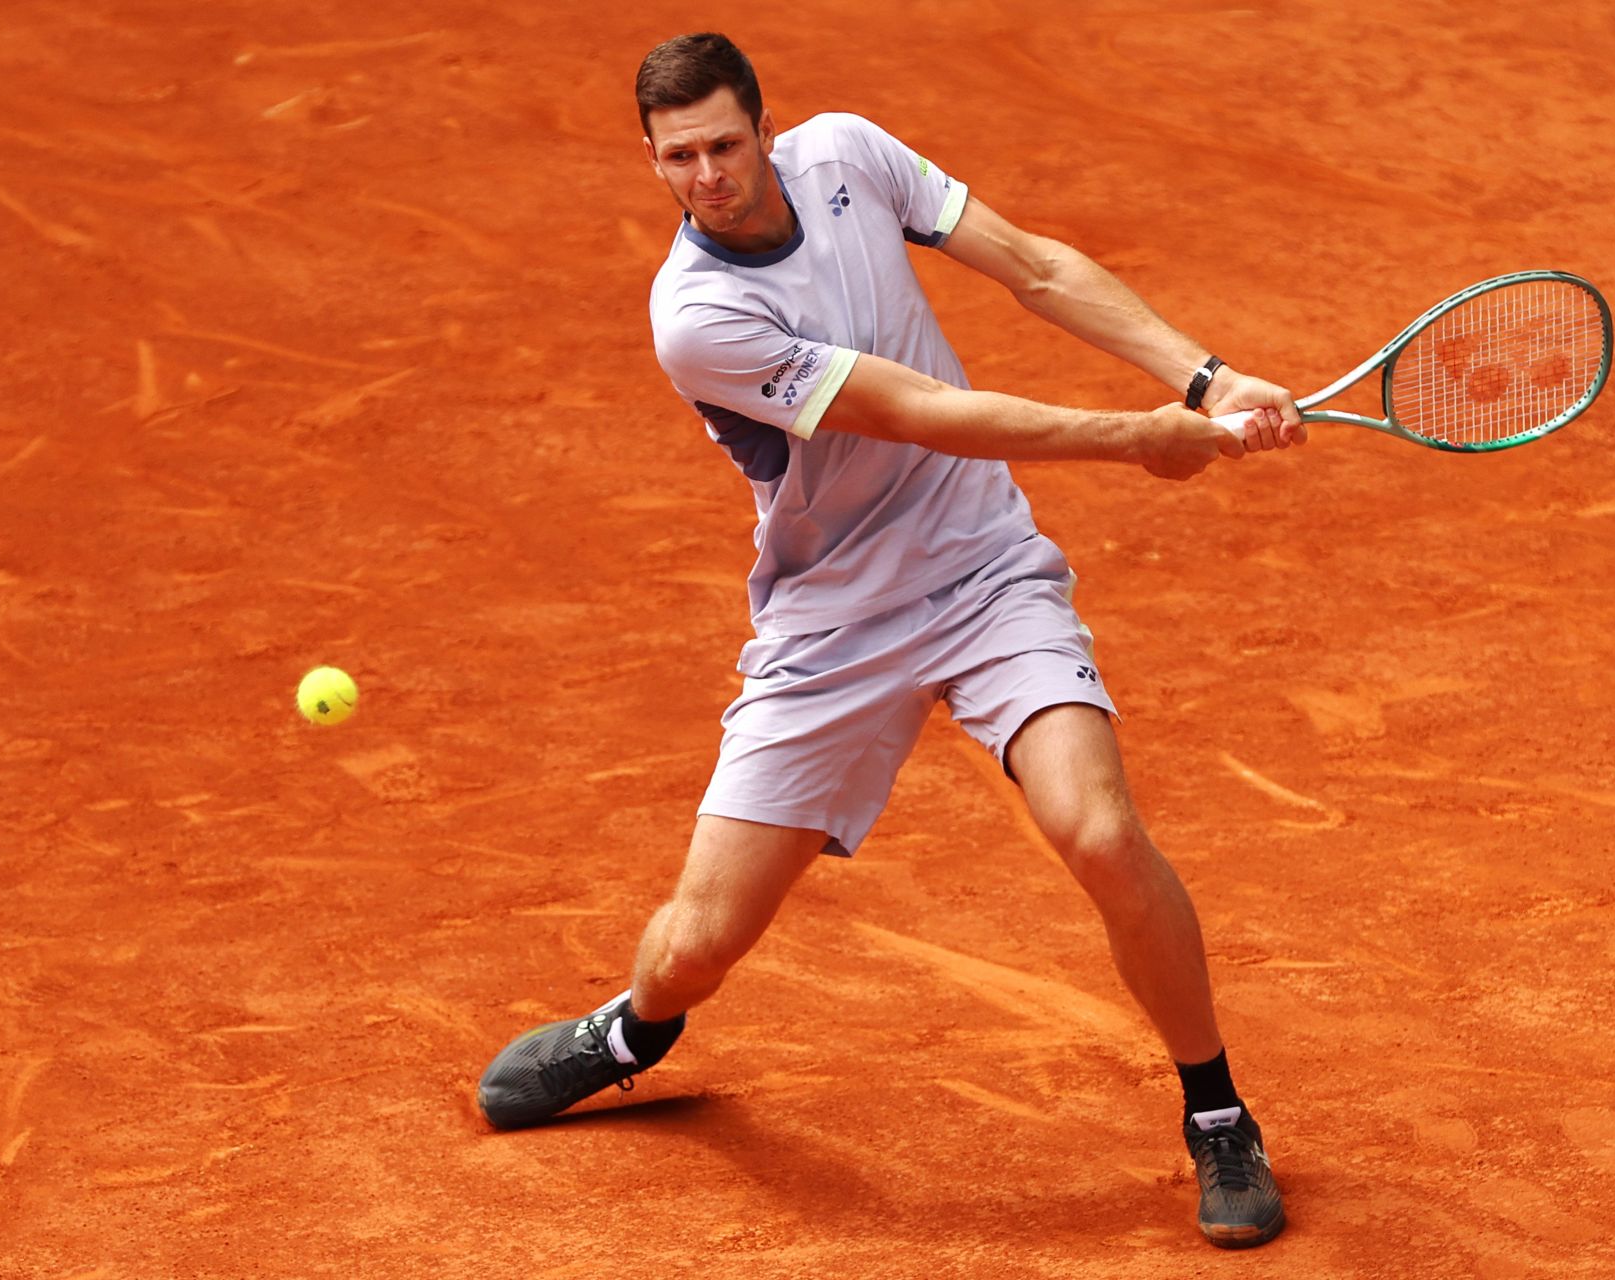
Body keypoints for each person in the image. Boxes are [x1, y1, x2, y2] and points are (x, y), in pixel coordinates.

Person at [477, 31, 1305, 1250]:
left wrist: (1202, 380)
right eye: (677, 158)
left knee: (1103, 831)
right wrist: (1136, 437)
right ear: (652, 162)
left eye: (723, 143)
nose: (706, 174)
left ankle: (1218, 1109)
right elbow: (917, 412)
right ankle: (634, 1032)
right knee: (699, 942)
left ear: (767, 127)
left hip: (983, 574)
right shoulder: (699, 316)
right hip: (835, 624)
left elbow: (1031, 266)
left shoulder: (851, 156)